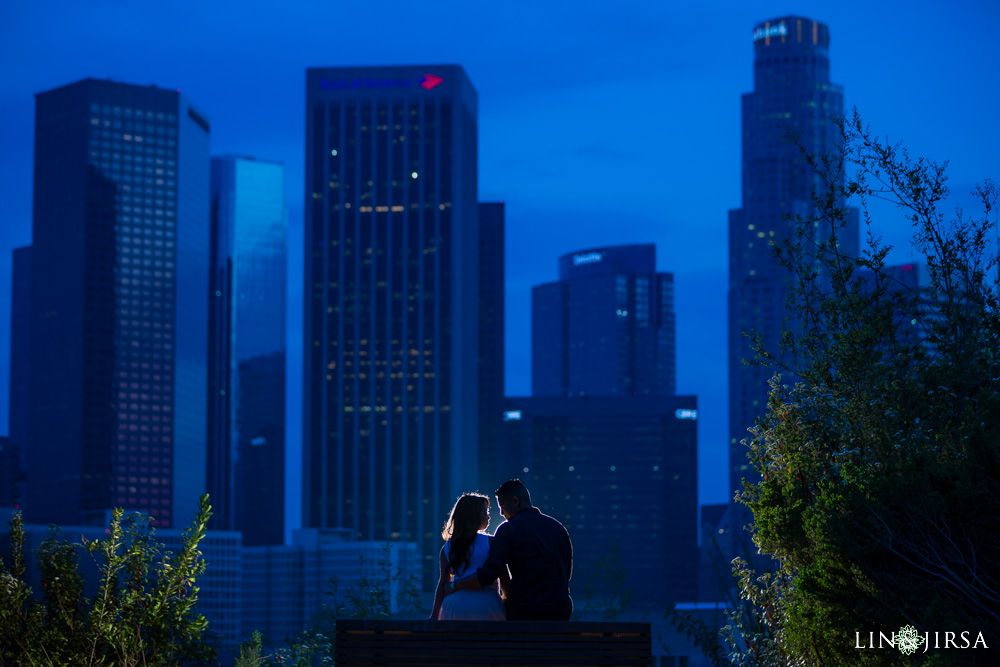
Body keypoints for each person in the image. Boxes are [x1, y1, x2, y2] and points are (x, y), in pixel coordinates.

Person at [445, 479, 573, 621]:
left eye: (502, 506)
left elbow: (489, 573)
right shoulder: (558, 528)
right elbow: (566, 573)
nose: (500, 513)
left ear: (515, 501)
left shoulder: (508, 530)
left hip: (524, 611)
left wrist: (454, 584)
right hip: (559, 611)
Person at [429, 492, 507, 620]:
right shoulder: (491, 543)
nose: (488, 517)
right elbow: (503, 576)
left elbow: (443, 582)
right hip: (487, 604)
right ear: (474, 516)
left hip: (454, 605)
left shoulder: (447, 548)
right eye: (485, 512)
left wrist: (434, 616)